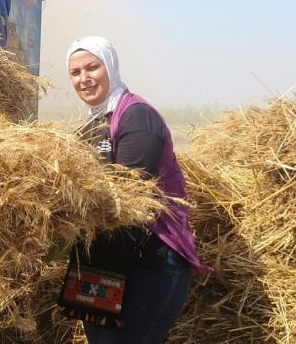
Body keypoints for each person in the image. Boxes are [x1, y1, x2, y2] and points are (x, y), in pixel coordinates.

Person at [63, 37, 212, 344]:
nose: (84, 78)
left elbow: (129, 195)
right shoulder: (90, 125)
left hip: (150, 258)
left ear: (111, 67)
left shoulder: (136, 116)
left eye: (92, 68)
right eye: (75, 72)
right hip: (102, 257)